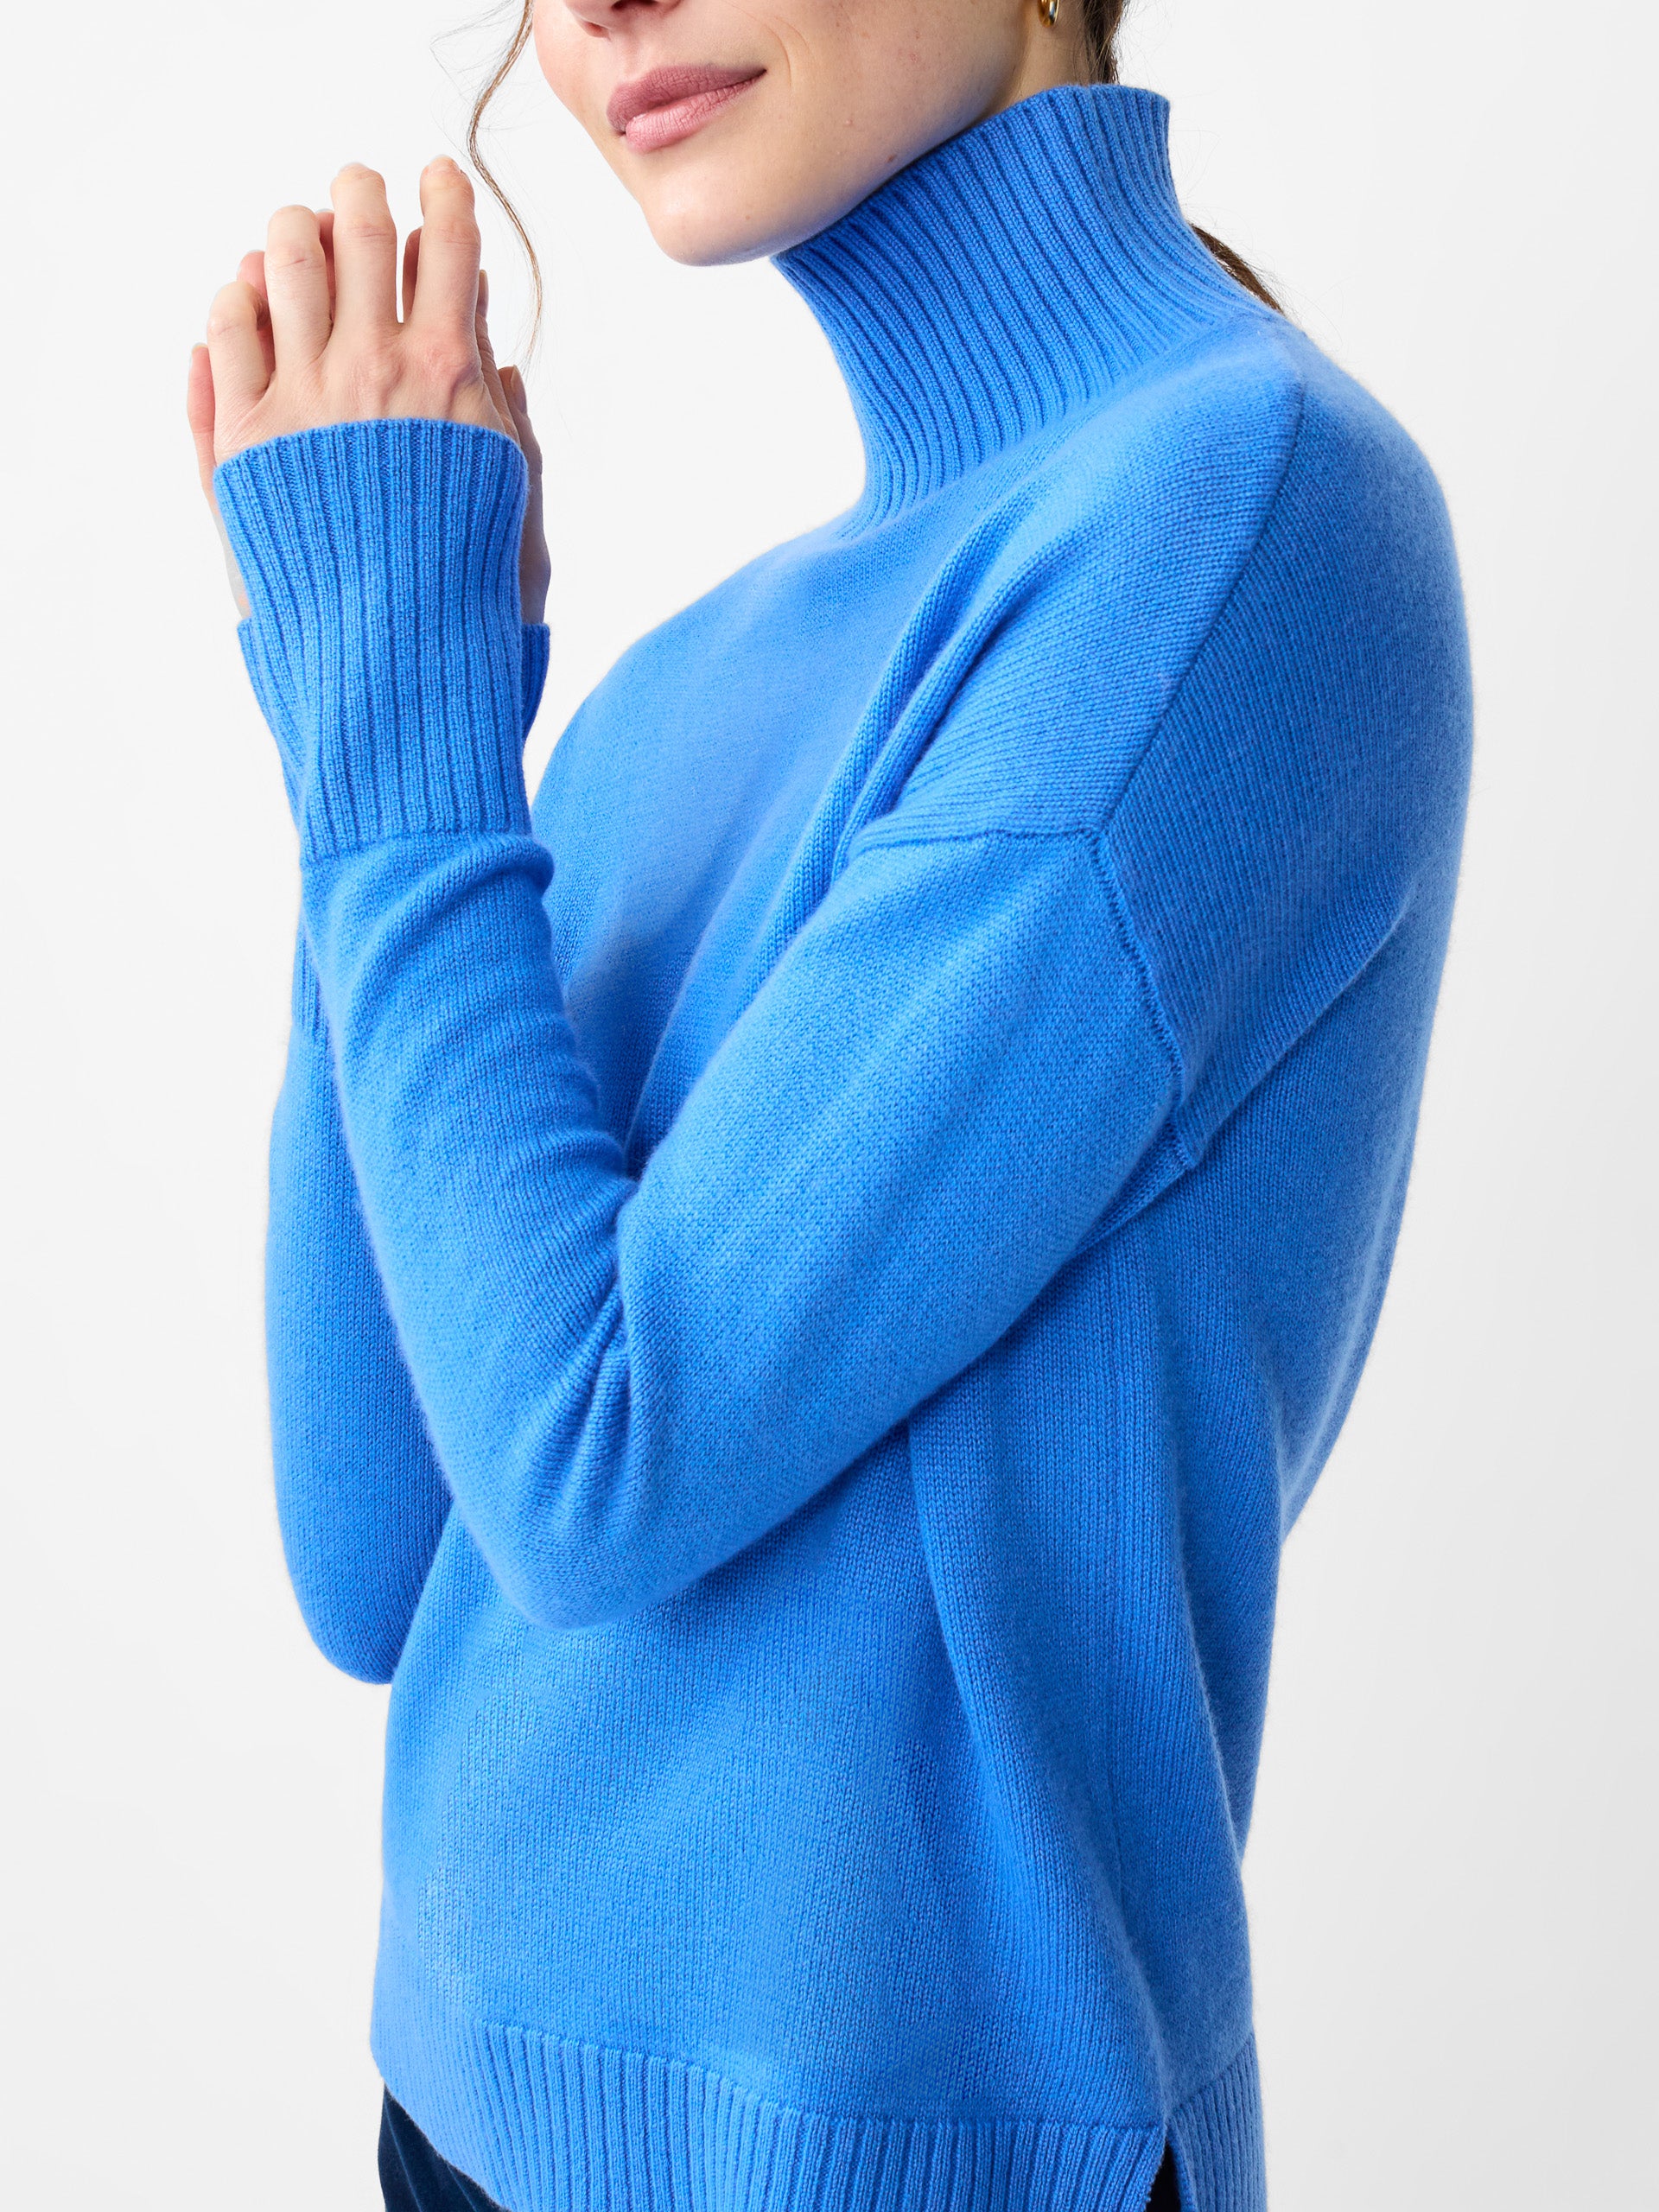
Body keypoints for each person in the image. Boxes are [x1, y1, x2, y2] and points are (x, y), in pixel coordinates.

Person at [184, 0, 1471, 2206]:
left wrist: (407, 751)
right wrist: (377, 728)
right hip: (455, 2119)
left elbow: (595, 1467)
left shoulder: (1244, 512)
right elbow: (381, 1545)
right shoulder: (693, 673)